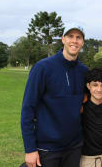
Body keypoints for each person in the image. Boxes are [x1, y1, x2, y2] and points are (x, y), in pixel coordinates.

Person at [21, 26, 88, 167]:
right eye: (70, 36)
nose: (74, 41)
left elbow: (98, 93)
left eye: (78, 38)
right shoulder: (43, 67)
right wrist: (30, 149)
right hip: (47, 147)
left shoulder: (84, 71)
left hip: (74, 147)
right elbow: (28, 108)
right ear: (63, 39)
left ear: (82, 42)